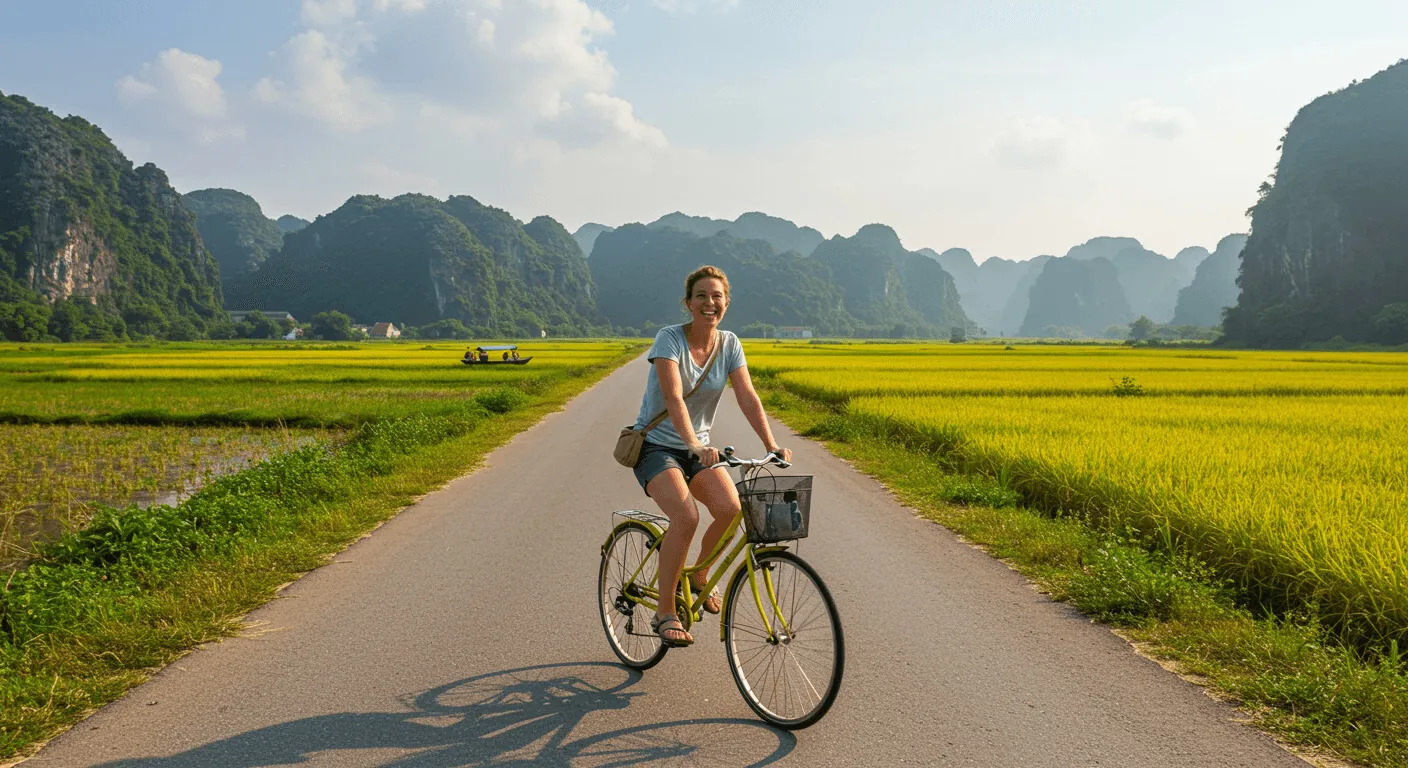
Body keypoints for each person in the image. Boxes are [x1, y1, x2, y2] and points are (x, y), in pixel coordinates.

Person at [630, 265, 792, 647]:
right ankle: (666, 611)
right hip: (657, 446)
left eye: (717, 296)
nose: (709, 302)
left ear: (726, 303)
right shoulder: (669, 339)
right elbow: (672, 398)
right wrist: (694, 445)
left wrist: (771, 445)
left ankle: (700, 575)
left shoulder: (730, 343)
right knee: (686, 517)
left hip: (698, 450)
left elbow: (747, 397)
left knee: (731, 509)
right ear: (688, 303)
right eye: (701, 295)